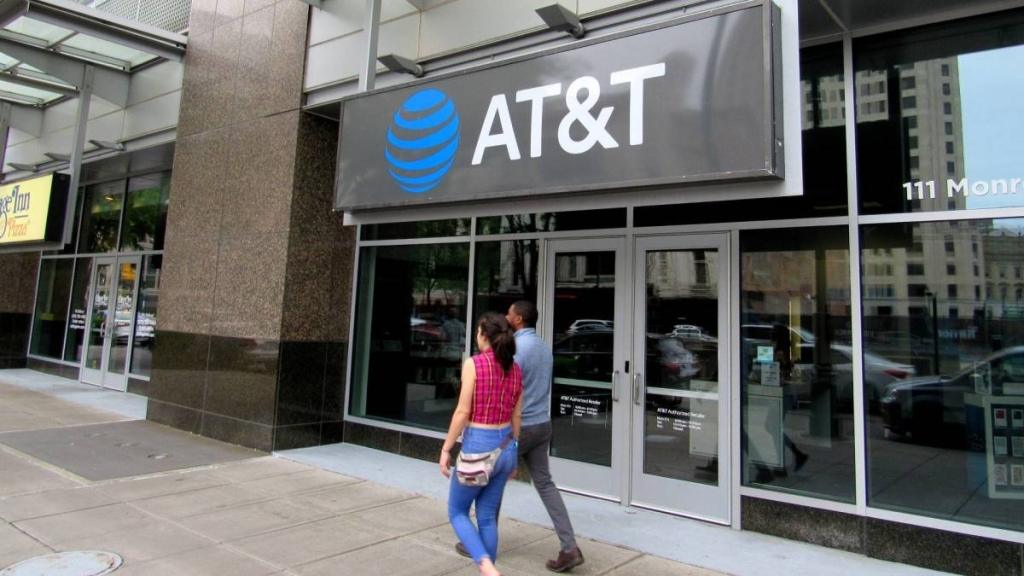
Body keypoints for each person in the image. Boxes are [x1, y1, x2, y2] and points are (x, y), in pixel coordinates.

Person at [506, 301, 590, 571]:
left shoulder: (515, 348)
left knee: (492, 481)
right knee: (545, 484)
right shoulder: (544, 347)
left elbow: (509, 387)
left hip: (520, 426)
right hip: (543, 424)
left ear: (519, 318)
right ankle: (569, 547)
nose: (506, 316)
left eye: (509, 313)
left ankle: (481, 541)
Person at [441, 312, 523, 576]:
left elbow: (462, 412)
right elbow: (517, 416)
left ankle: (486, 566)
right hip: (506, 446)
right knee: (487, 517)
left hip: (479, 444)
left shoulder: (474, 364)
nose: (476, 336)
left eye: (478, 331)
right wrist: (514, 453)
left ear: (484, 335)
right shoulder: (515, 368)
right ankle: (490, 568)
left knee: (457, 511)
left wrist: (446, 448)